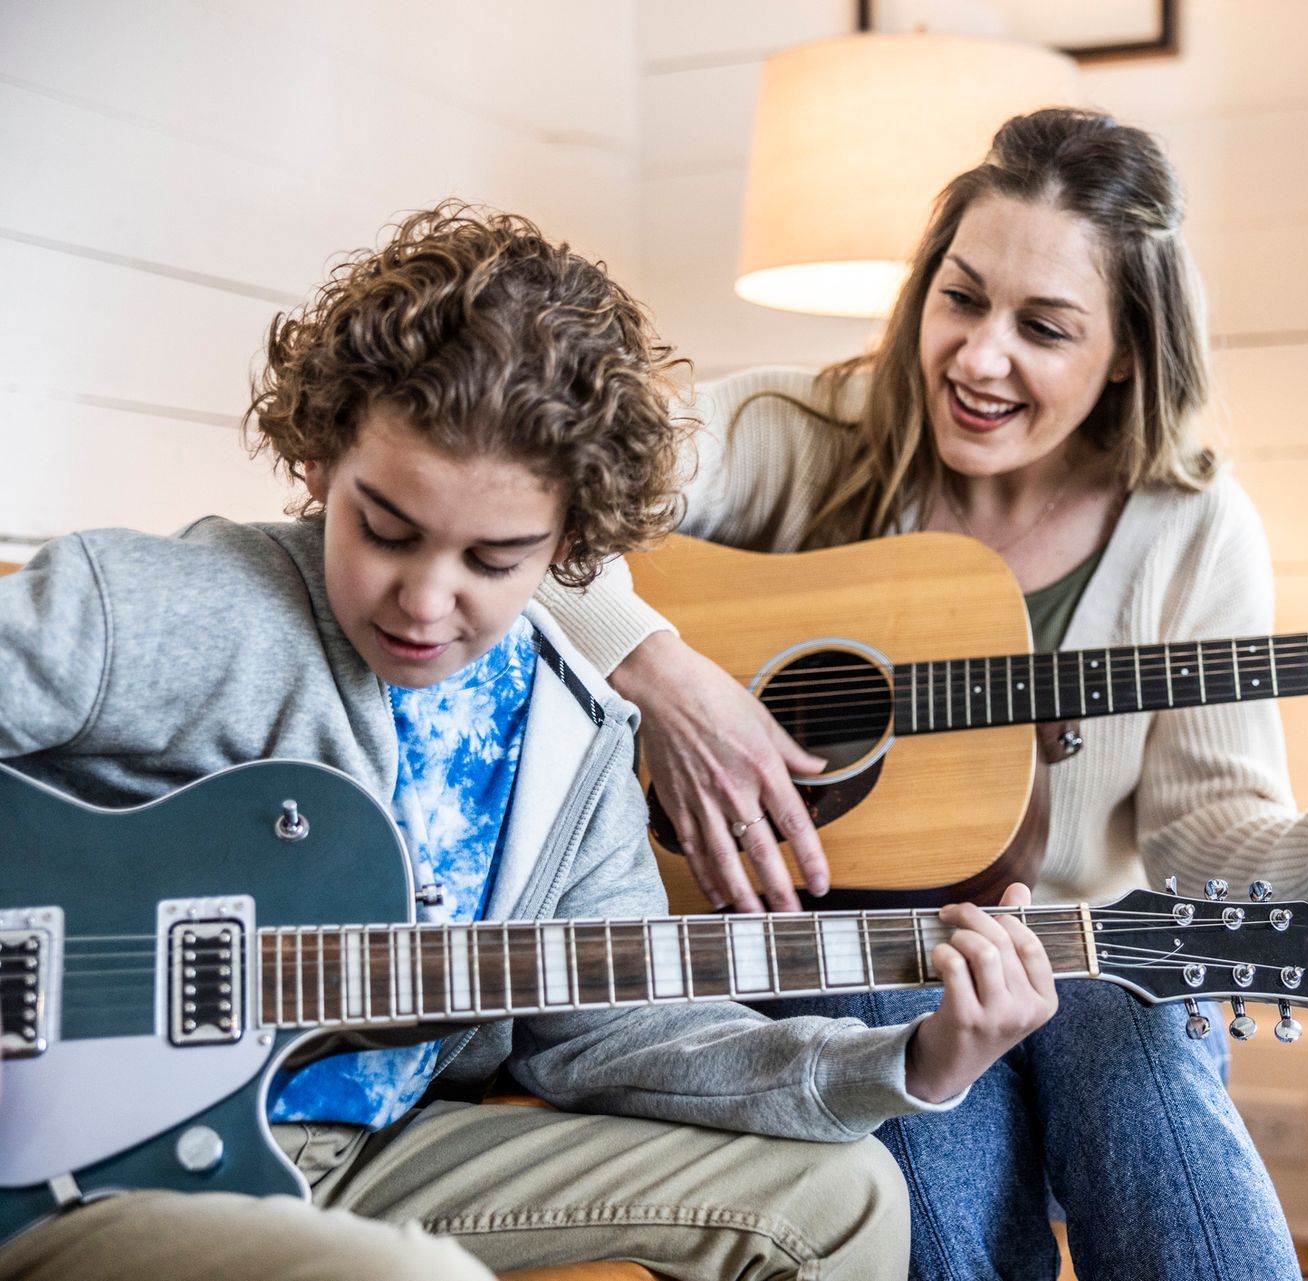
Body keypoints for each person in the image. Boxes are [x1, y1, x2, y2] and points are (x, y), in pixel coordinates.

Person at [536, 109, 1308, 1281]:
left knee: (1142, 1037)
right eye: (960, 300)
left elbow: (1212, 852)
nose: (977, 358)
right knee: (901, 1052)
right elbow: (527, 502)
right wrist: (668, 681)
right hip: (831, 950)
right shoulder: (786, 430)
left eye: (1044, 328)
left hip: (1078, 958)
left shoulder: (1192, 528)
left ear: (1127, 352)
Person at [0, 205, 1061, 1281]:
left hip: (372, 1157)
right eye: (387, 530)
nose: (426, 599)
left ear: (573, 541)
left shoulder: (571, 736)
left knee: (843, 1197)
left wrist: (916, 1057)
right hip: (85, 1174)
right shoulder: (177, 610)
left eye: (494, 559)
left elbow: (615, 1036)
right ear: (320, 462)